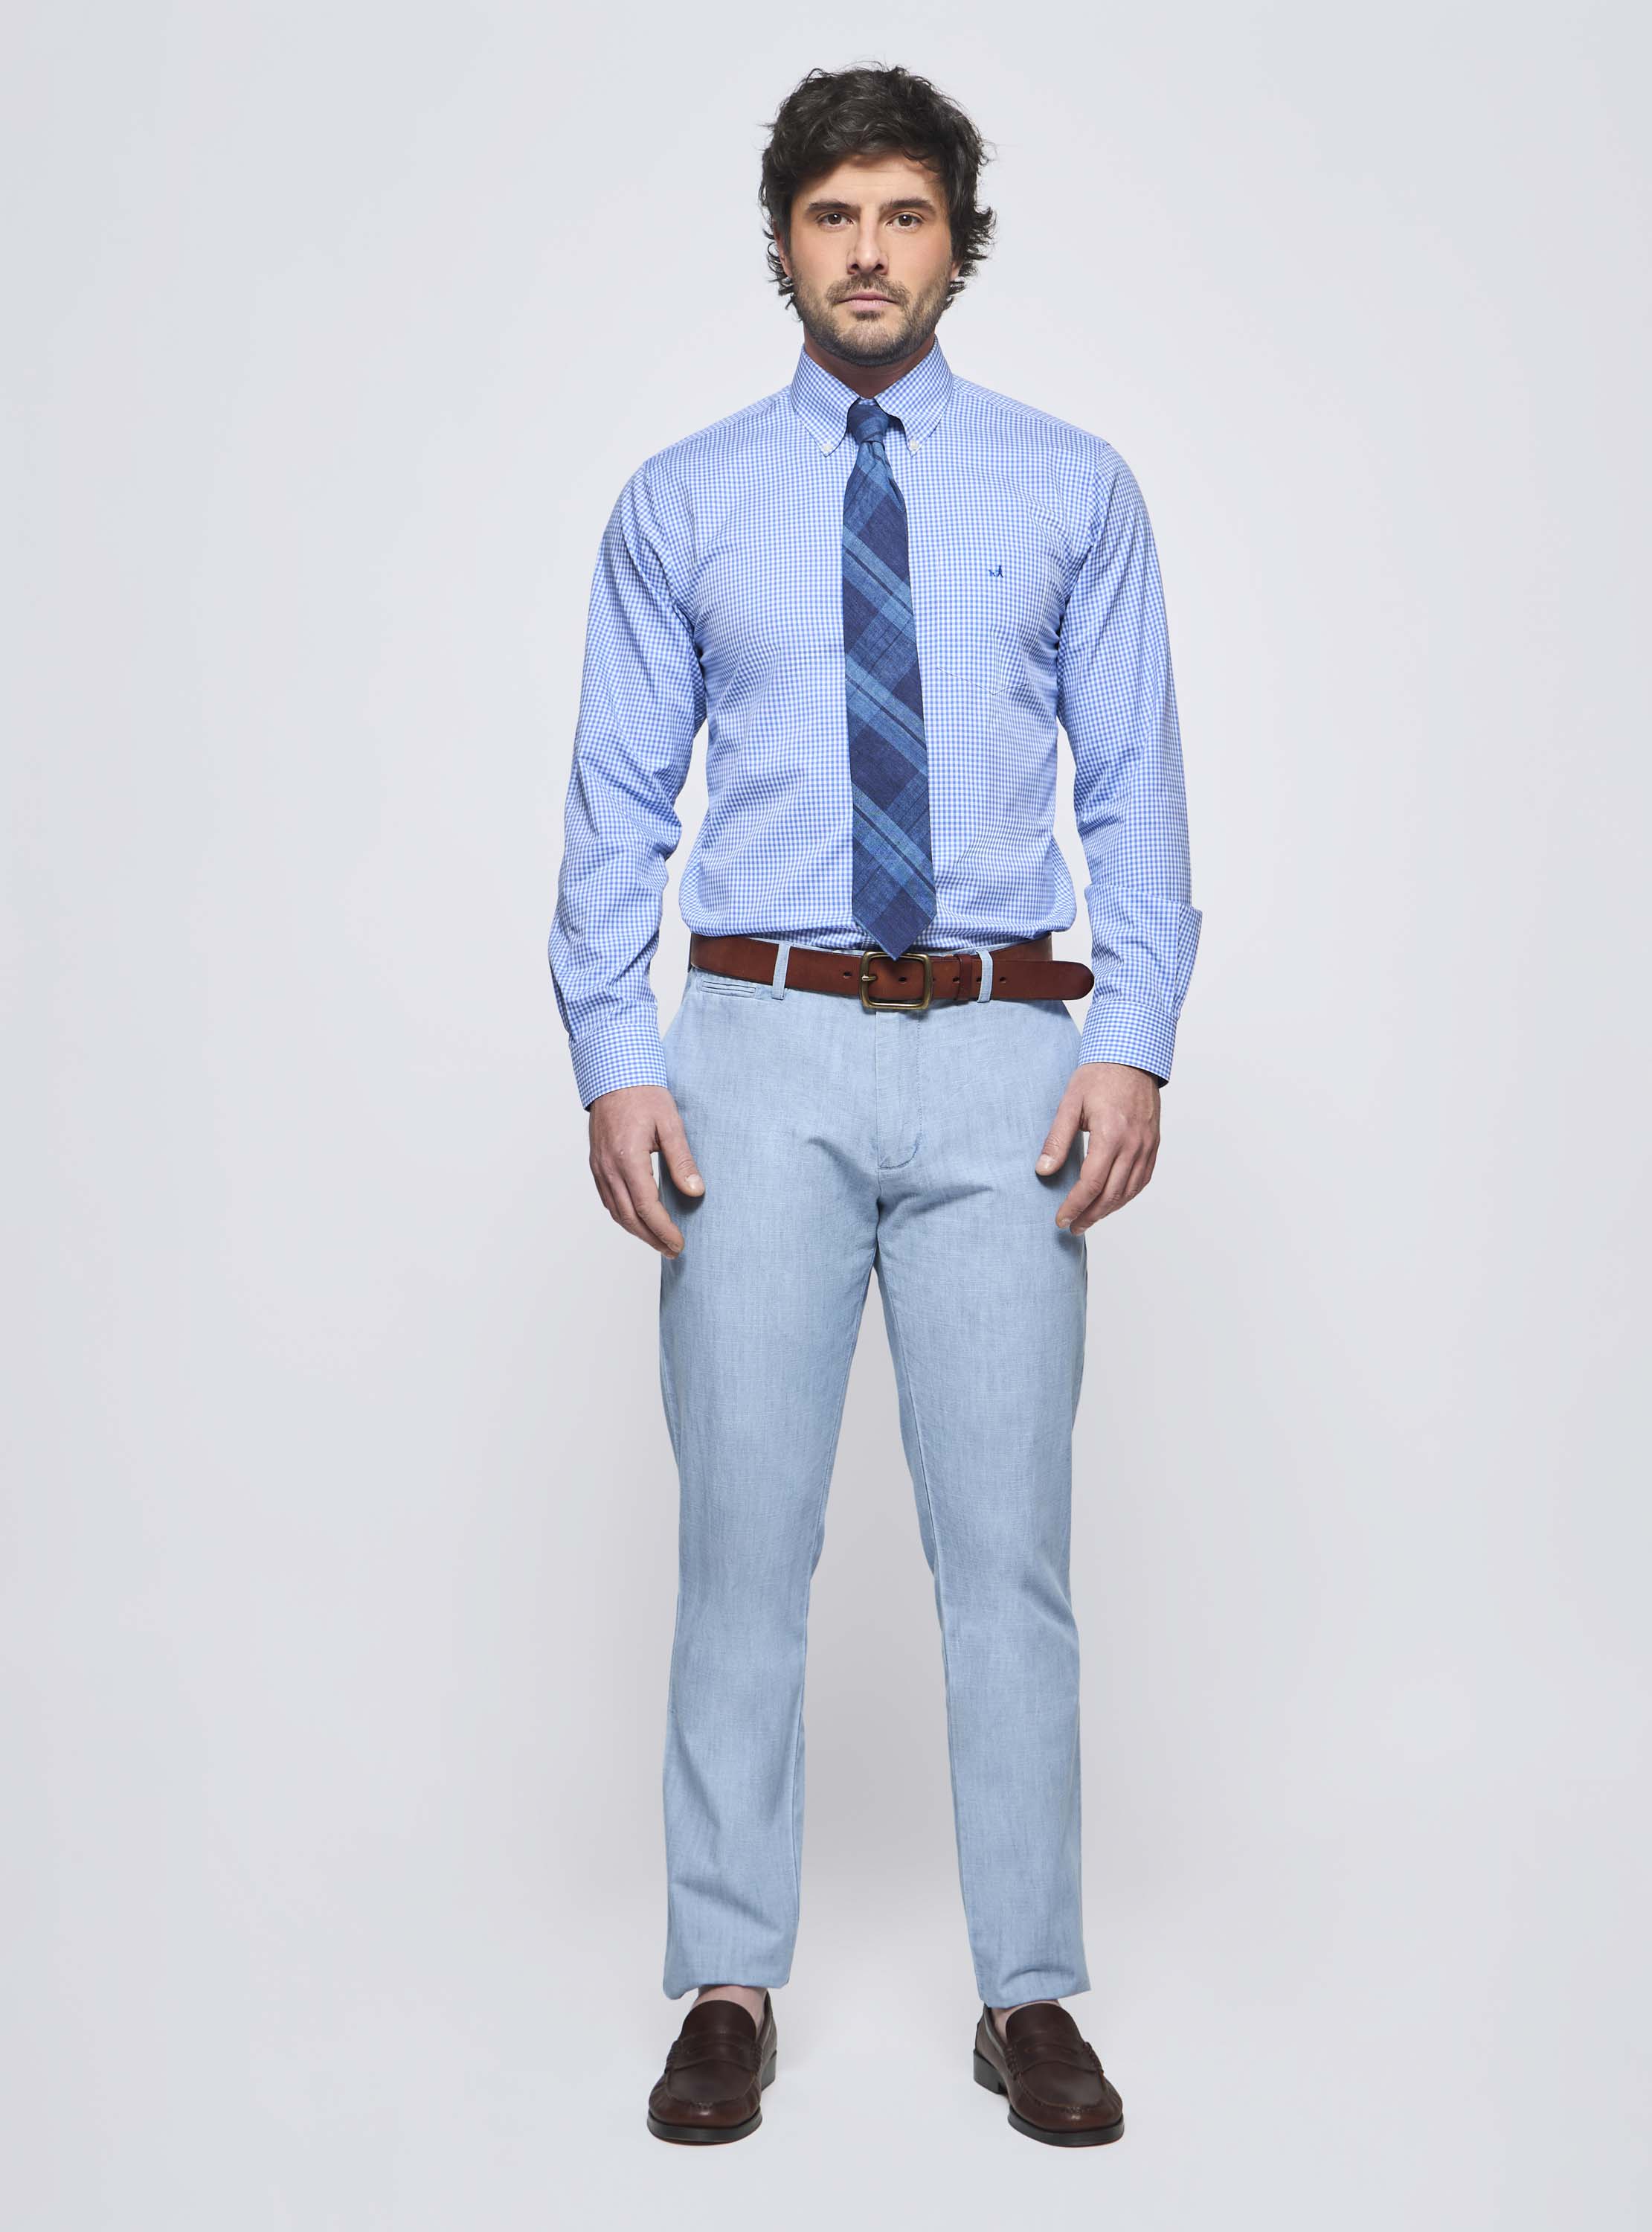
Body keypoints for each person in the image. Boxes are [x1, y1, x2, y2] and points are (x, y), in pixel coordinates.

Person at [548, 62, 1201, 2149]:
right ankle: (729, 1978)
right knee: (744, 1538)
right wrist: (617, 1055)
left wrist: (1134, 1036)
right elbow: (616, 804)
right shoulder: (680, 505)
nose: (866, 252)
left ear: (955, 243)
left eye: (904, 213)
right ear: (782, 241)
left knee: (1008, 1552)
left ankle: (1031, 1991)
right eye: (832, 215)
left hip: (1010, 1055)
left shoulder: (1074, 489)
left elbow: (1138, 790)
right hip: (761, 1050)